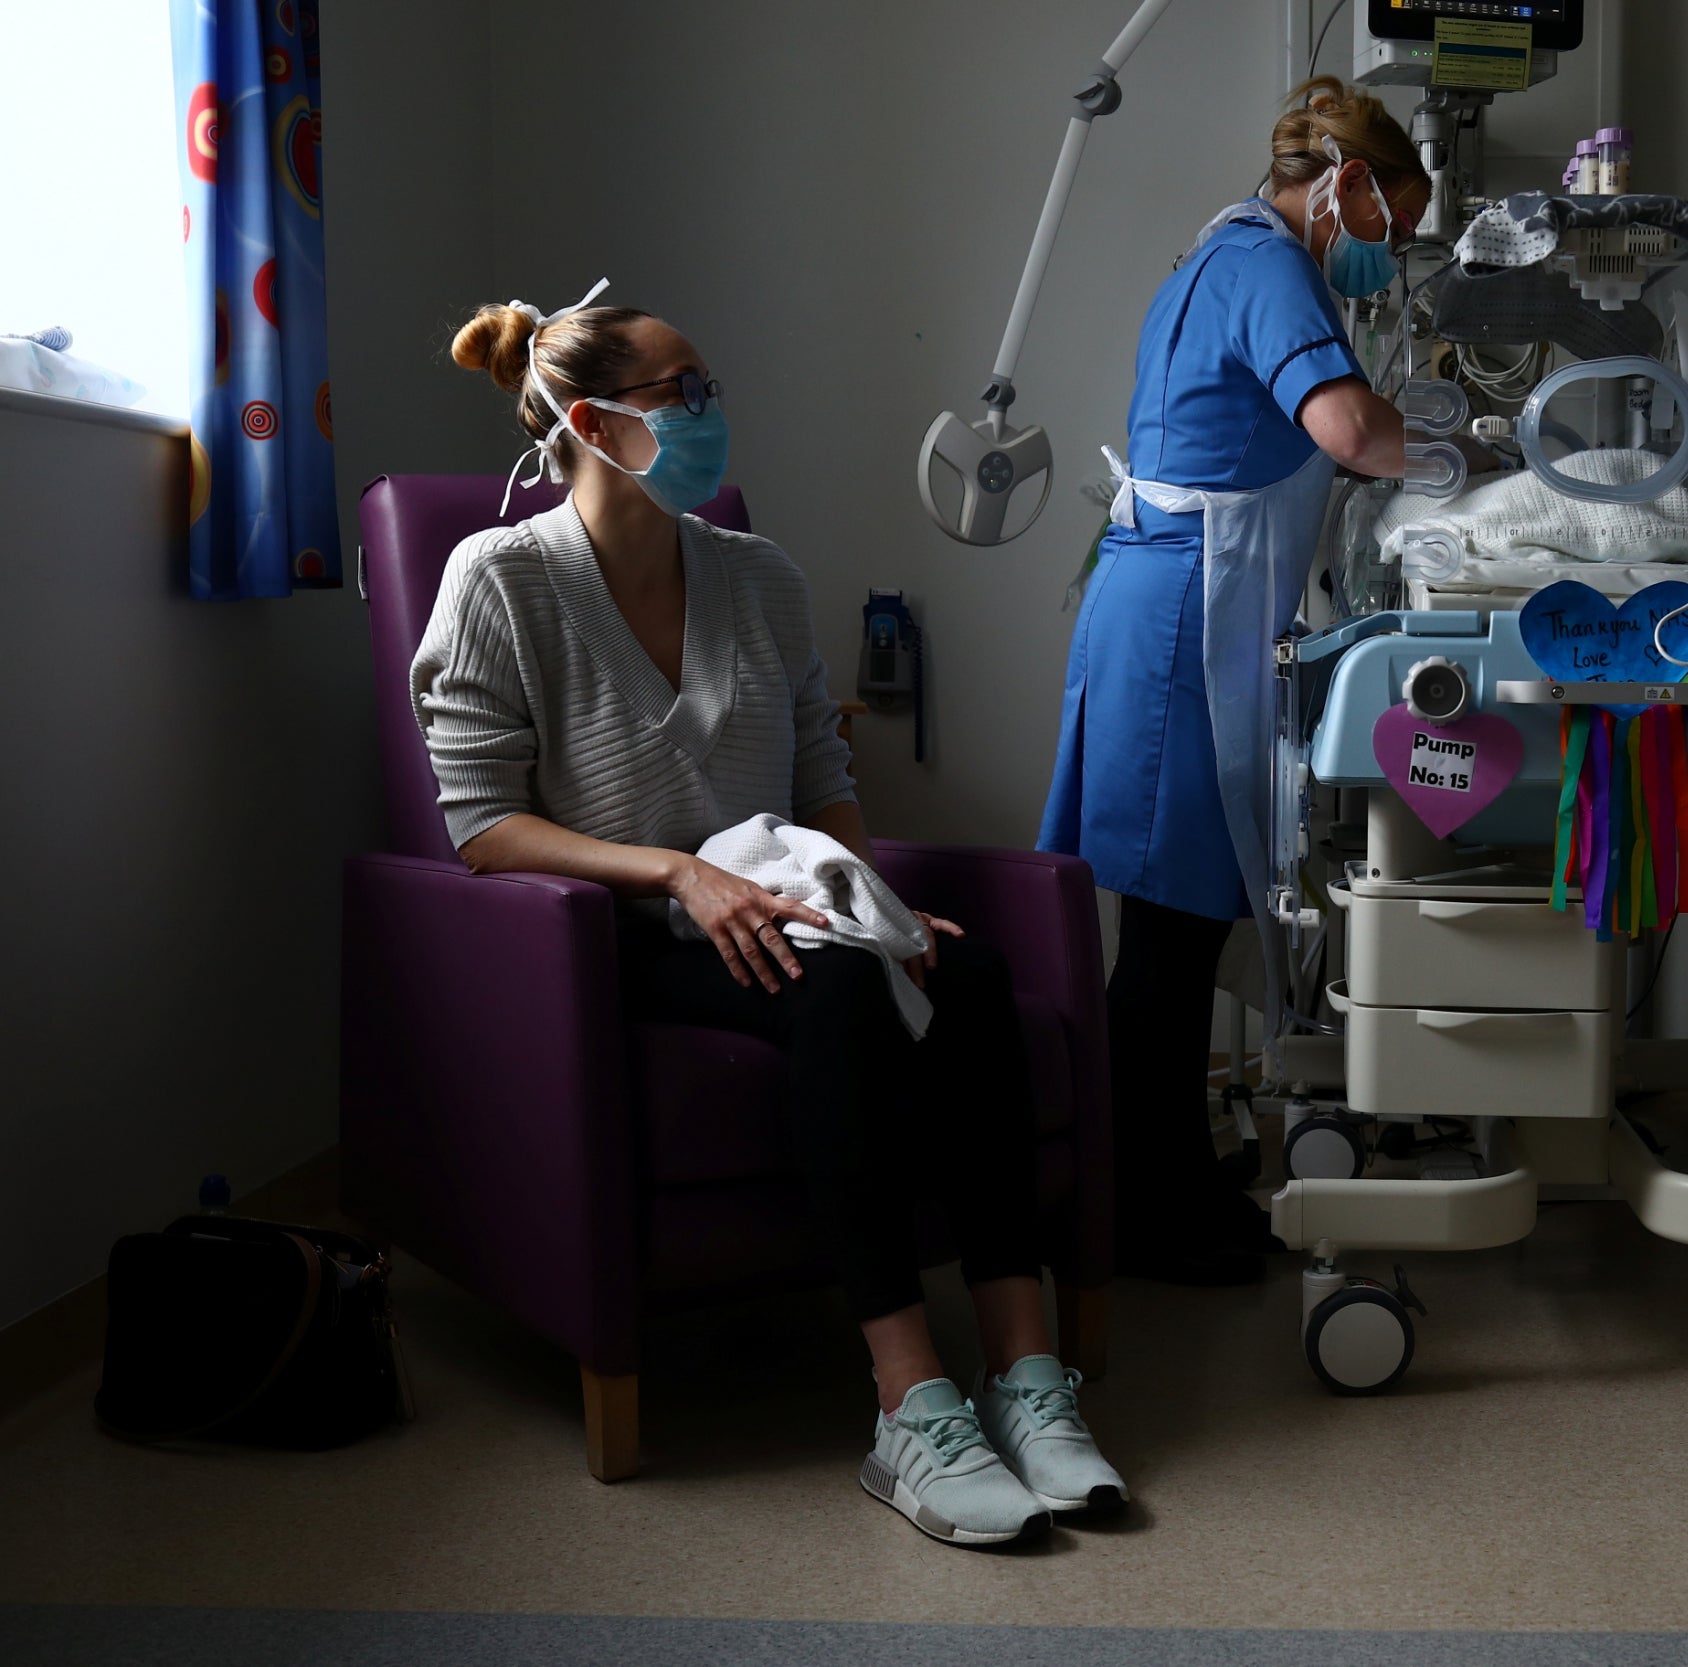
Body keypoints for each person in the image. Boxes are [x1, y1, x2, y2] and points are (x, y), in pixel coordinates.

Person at [415, 286, 1123, 1547]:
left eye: (711, 389)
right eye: (681, 392)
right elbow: (481, 825)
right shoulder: (501, 577)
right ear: (591, 419)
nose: (710, 413)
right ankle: (909, 1401)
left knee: (962, 974)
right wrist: (678, 874)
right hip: (613, 936)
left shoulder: (761, 576)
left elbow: (824, 784)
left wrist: (880, 904)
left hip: (787, 905)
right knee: (842, 990)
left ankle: (1028, 1379)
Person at [1039, 79, 1449, 1284]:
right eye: (1394, 225)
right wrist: (1468, 454)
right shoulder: (1267, 265)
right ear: (1347, 188)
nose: (1394, 253)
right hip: (1182, 622)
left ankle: (1161, 1176)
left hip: (1179, 609)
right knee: (1164, 946)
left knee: (1179, 927)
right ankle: (1144, 1215)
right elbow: (1351, 435)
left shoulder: (1230, 253)